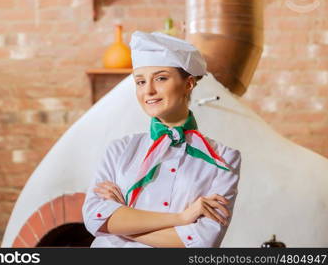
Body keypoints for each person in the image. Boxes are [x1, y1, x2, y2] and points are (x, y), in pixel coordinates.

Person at [82, 31, 241, 248]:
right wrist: (182, 218)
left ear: (189, 84)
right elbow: (94, 218)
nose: (148, 90)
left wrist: (122, 223)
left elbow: (202, 242)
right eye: (140, 82)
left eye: (161, 78)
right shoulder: (119, 150)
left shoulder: (223, 159)